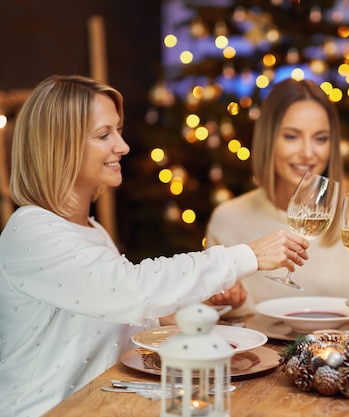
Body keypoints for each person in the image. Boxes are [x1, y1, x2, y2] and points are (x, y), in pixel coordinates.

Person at [0, 74, 310, 417]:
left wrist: (202, 298)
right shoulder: (31, 231)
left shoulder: (90, 229)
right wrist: (245, 256)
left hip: (101, 406)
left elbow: (125, 322)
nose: (122, 146)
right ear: (60, 145)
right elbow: (131, 290)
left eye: (118, 130)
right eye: (104, 135)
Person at [205, 77, 349, 316]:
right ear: (268, 141)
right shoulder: (229, 217)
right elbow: (216, 312)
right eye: (291, 136)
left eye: (320, 139)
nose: (307, 153)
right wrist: (229, 301)